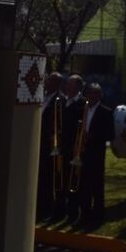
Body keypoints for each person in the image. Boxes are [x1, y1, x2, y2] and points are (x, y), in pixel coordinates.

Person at [74, 83, 114, 229]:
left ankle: (98, 216)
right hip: (82, 152)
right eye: (90, 93)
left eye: (95, 93)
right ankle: (84, 214)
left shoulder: (106, 112)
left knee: (96, 185)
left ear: (100, 95)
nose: (92, 96)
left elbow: (110, 134)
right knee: (82, 185)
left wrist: (91, 136)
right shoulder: (82, 109)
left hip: (96, 153)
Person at [37, 72, 64, 219]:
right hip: (39, 141)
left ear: (57, 84)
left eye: (51, 81)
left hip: (49, 144)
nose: (47, 83)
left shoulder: (59, 99)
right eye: (48, 80)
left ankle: (47, 207)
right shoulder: (42, 97)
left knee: (48, 177)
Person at [61, 74, 85, 222]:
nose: (67, 88)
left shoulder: (82, 104)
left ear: (78, 87)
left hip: (74, 147)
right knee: (62, 178)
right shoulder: (63, 101)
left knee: (74, 180)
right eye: (67, 85)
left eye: (70, 85)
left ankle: (74, 212)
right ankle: (62, 209)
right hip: (63, 146)